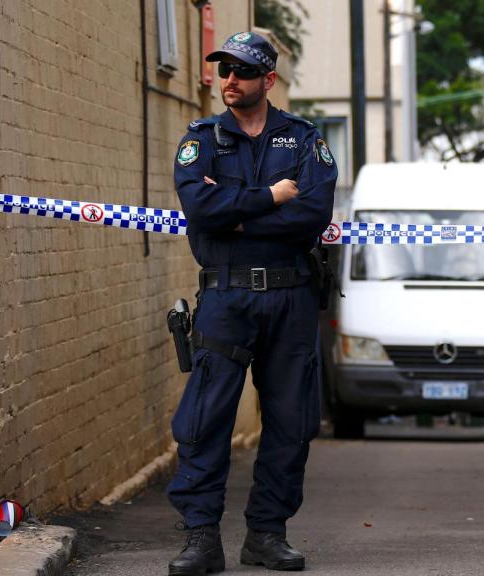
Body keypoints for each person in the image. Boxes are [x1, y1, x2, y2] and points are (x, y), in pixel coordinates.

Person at [167, 31, 337, 576]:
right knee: (205, 418)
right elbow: (198, 204)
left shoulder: (304, 138)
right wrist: (267, 198)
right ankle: (200, 539)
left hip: (291, 295)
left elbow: (312, 212)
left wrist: (236, 213)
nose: (230, 80)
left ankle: (267, 534)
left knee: (290, 420)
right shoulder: (202, 140)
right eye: (224, 70)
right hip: (226, 294)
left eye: (241, 71)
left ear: (268, 80)